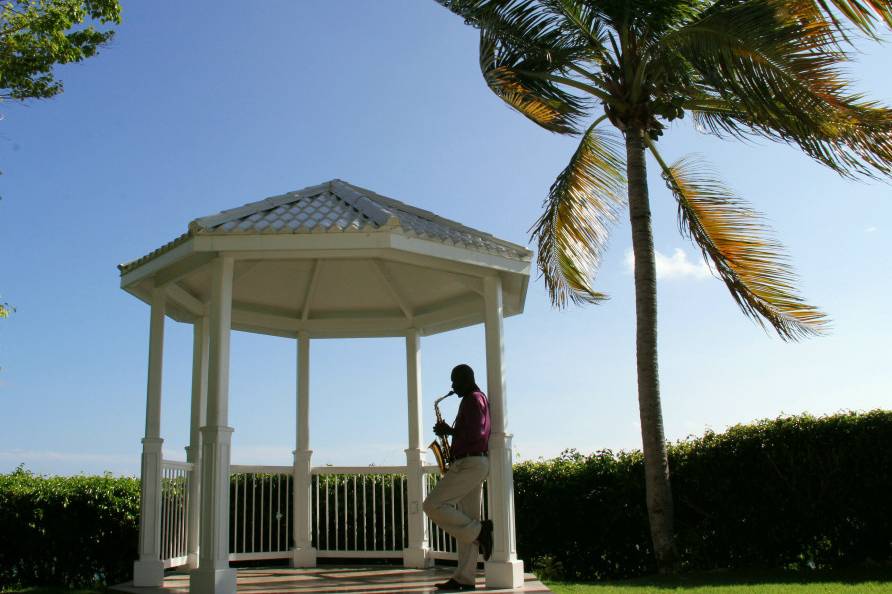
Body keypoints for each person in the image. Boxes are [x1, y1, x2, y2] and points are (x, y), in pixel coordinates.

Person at [423, 364, 494, 592]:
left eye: (455, 381)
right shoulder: (474, 399)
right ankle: (465, 578)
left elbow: (478, 433)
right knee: (467, 518)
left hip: (469, 464)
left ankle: (480, 532)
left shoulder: (474, 399)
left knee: (432, 504)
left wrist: (449, 432)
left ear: (466, 378)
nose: (452, 386)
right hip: (471, 463)